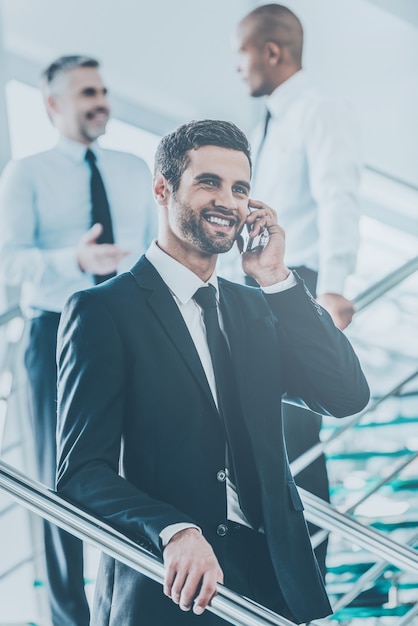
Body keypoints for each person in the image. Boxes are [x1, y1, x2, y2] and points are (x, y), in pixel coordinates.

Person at [55, 119, 369, 625]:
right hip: (170, 584)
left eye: (240, 188)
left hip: (275, 586)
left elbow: (346, 394)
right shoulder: (104, 312)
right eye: (209, 182)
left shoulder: (258, 308)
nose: (228, 200)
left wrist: (277, 279)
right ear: (163, 188)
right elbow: (79, 474)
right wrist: (173, 529)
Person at [0, 55, 157, 626]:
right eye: (86, 92)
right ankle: (70, 619)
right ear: (53, 105)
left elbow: (148, 251)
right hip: (54, 333)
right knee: (54, 480)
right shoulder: (26, 173)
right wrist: (75, 259)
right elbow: (8, 263)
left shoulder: (136, 168)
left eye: (103, 90)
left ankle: (134, 608)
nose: (100, 101)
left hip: (130, 330)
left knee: (141, 471)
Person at [233, 3, 363, 575]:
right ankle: (276, 562)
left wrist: (334, 288)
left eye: (241, 56)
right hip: (259, 285)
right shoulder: (268, 122)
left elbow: (339, 196)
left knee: (296, 431)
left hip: (300, 283)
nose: (237, 70)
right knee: (265, 428)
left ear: (271, 52)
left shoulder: (318, 109)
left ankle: (312, 565)